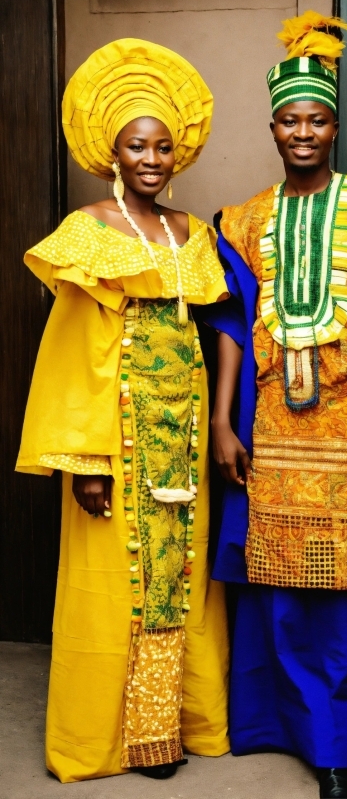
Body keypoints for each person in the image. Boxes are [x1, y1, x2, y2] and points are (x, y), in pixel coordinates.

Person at [204, 11, 347, 799]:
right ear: (271, 127)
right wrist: (225, 422)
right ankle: (271, 728)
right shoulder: (242, 220)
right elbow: (231, 324)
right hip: (267, 434)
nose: (304, 131)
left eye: (318, 118)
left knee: (340, 602)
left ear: (336, 124)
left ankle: (336, 752)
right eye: (290, 120)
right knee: (272, 590)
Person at [16, 39, 230, 783]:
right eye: (138, 144)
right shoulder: (90, 230)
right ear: (113, 149)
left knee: (180, 578)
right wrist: (88, 461)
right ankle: (101, 741)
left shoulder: (192, 233)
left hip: (184, 441)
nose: (152, 157)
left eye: (164, 146)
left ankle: (166, 733)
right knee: (115, 586)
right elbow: (73, 354)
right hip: (119, 438)